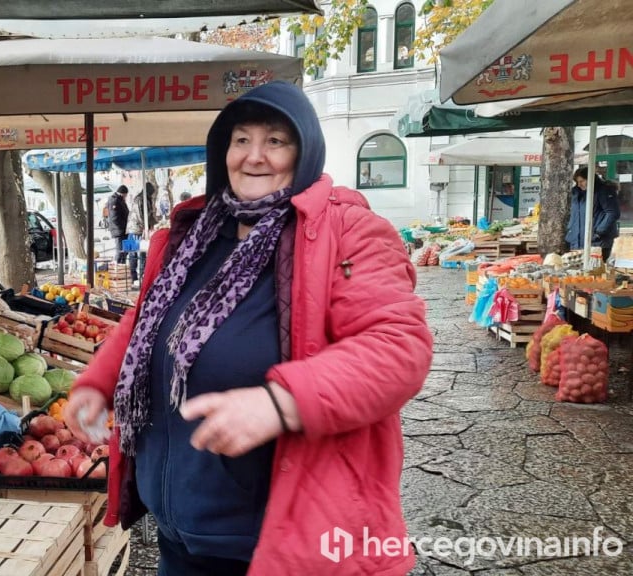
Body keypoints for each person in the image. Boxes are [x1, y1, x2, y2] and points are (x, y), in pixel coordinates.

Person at [64, 81, 432, 575]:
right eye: (241, 139)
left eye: (276, 140)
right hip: (179, 532)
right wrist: (99, 382)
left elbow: (397, 347)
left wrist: (282, 403)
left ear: (304, 152)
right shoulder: (194, 234)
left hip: (277, 542)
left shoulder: (349, 231)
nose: (255, 156)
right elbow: (146, 319)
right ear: (223, 150)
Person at [566, 167, 619, 261]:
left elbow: (612, 213)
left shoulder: (603, 191)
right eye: (577, 182)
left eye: (582, 181)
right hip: (578, 240)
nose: (579, 185)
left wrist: (598, 232)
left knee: (596, 270)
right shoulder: (576, 193)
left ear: (590, 179)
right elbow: (576, 214)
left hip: (598, 241)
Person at [107, 185, 130, 264]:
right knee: (120, 252)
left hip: (122, 230)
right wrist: (123, 227)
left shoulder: (119, 200)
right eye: (125, 195)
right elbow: (115, 218)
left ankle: (121, 267)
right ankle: (118, 268)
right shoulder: (115, 201)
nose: (126, 197)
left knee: (123, 252)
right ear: (122, 194)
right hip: (119, 231)